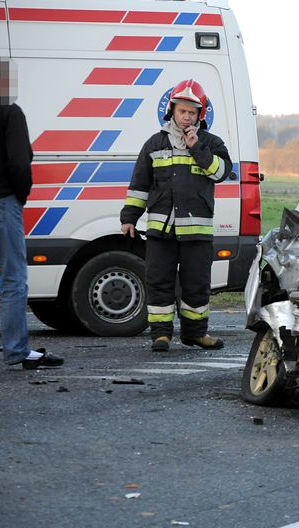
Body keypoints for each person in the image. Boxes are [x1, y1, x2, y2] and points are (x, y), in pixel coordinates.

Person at [120, 79, 232, 352]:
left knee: (197, 284)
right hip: (161, 230)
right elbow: (140, 184)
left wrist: (197, 148)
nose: (186, 117)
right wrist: (129, 217)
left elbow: (220, 173)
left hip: (197, 231)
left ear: (200, 115)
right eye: (182, 111)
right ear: (172, 110)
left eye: (192, 112)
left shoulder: (212, 143)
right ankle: (161, 335)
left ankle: (195, 334)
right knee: (159, 282)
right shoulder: (154, 143)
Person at [0, 56, 63, 370]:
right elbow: (20, 162)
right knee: (12, 278)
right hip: (0, 201)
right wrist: (20, 195)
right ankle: (17, 351)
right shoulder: (8, 111)